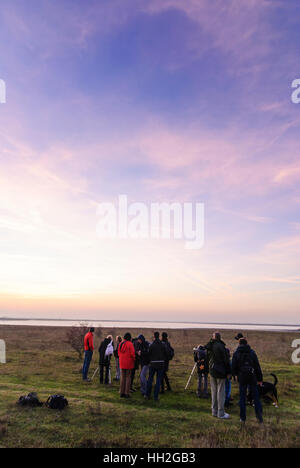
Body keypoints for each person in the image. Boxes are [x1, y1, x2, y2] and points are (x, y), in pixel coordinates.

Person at [232, 338, 263, 424]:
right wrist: (260, 379)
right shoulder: (252, 352)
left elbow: (233, 366)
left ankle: (242, 418)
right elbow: (257, 366)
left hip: (242, 377)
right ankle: (259, 417)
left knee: (242, 397)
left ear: (239, 343)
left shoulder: (236, 353)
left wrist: (235, 375)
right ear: (247, 343)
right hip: (252, 376)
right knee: (256, 397)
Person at [205, 331, 231, 419]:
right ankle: (221, 413)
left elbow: (206, 352)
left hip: (212, 370)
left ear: (213, 338)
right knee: (221, 392)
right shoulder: (221, 346)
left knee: (214, 391)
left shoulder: (210, 346)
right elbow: (226, 360)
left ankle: (214, 411)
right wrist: (228, 372)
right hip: (220, 371)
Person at [146, 332, 168, 401]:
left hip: (153, 363)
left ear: (154, 337)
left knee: (150, 379)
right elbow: (166, 353)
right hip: (161, 364)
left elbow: (148, 353)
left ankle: (148, 395)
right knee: (158, 380)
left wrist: (150, 360)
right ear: (159, 336)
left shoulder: (152, 345)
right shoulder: (162, 344)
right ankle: (156, 397)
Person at [118, 333, 136, 398]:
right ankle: (126, 393)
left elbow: (118, 353)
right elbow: (132, 354)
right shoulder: (130, 344)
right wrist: (134, 359)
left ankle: (121, 392)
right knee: (128, 377)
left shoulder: (120, 344)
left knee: (122, 377)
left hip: (122, 362)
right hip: (128, 362)